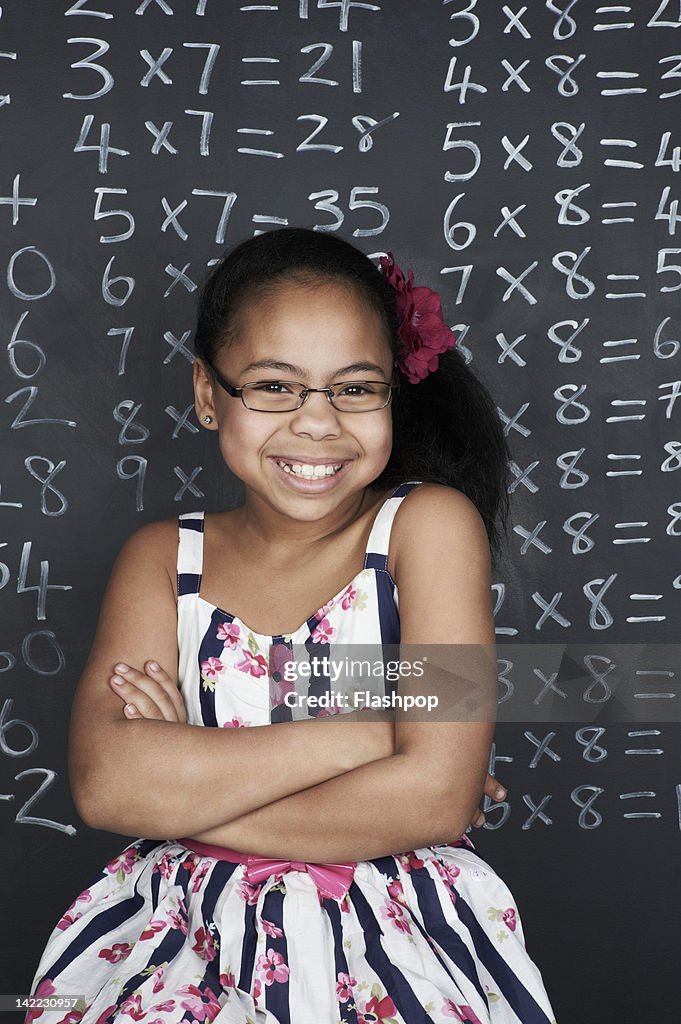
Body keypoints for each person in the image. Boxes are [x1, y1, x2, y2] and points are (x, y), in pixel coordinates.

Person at [25, 228, 557, 1024]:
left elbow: (438, 800)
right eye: (274, 386)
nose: (317, 424)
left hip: (391, 942)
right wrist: (370, 735)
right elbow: (108, 787)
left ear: (391, 394)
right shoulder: (163, 559)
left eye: (355, 388)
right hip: (181, 944)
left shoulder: (428, 528)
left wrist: (182, 796)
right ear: (209, 392)